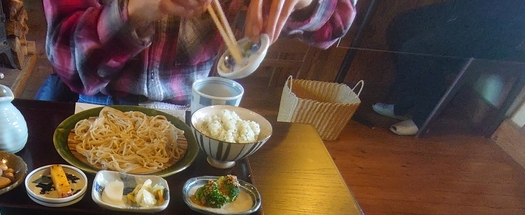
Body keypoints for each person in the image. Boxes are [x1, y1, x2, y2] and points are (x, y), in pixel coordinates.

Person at [37, 0, 357, 106]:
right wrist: (135, 10)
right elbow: (70, 67)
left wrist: (307, 5)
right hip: (92, 103)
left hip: (194, 109)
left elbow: (335, 23)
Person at [372, 0, 525, 136]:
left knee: (418, 48)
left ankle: (425, 112)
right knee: (401, 25)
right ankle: (409, 99)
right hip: (469, 10)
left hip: (502, 27)